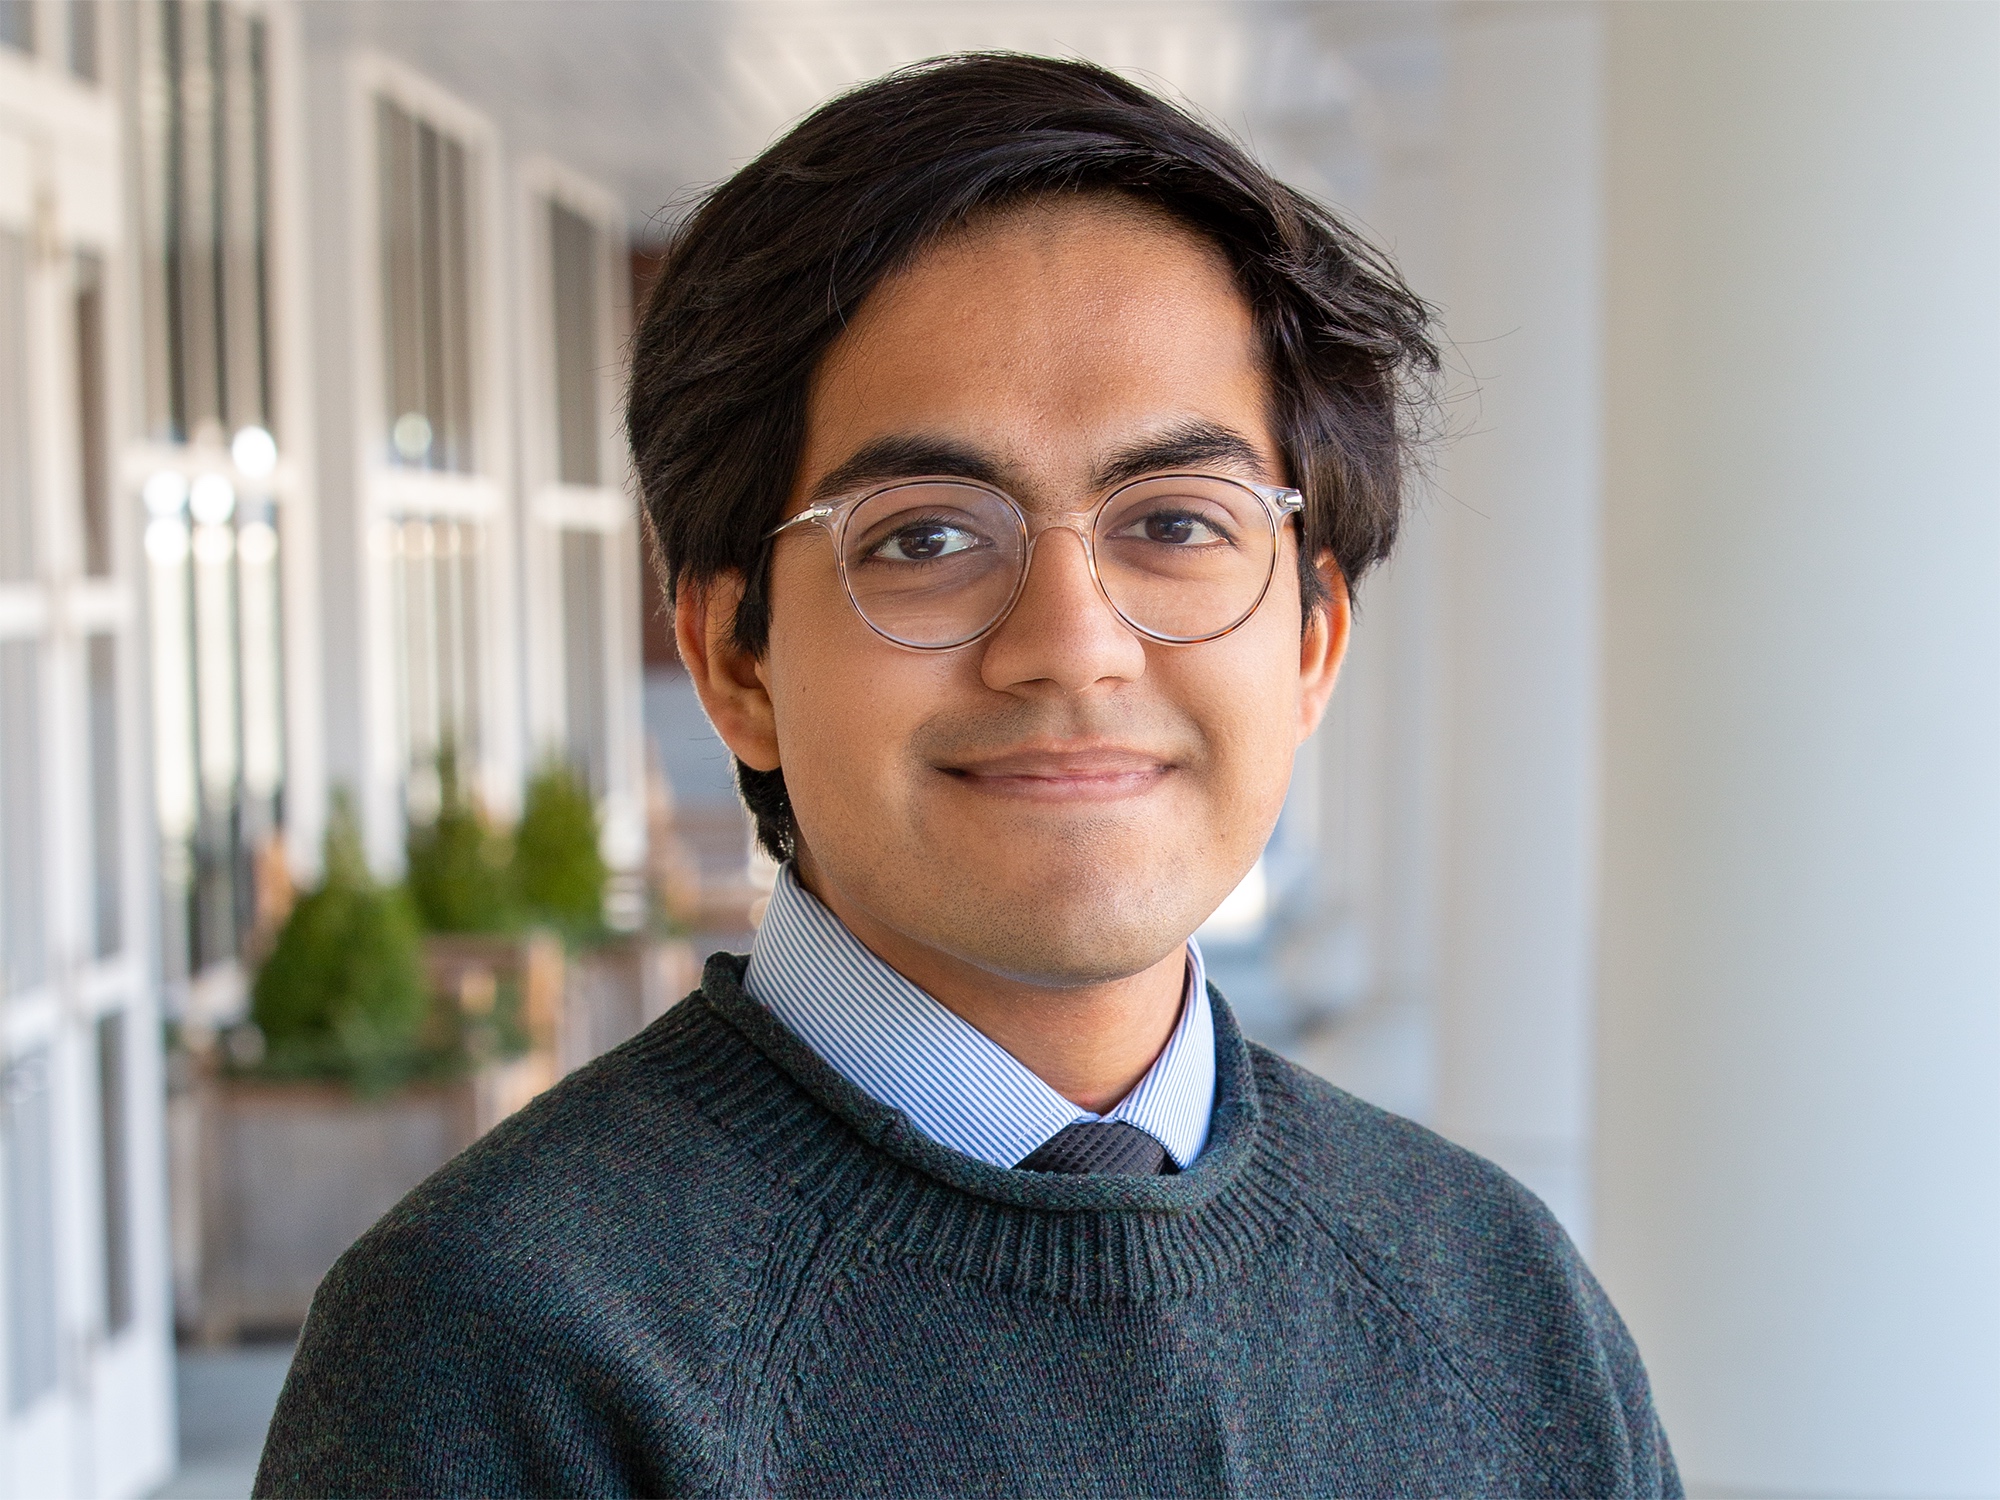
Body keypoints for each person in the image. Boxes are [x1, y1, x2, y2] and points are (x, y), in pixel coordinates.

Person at [258, 53, 1678, 1498]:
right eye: (925, 536)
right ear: (734, 657)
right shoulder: (498, 1351)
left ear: (1312, 640)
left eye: (1176, 522)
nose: (1071, 647)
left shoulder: (1498, 1304)